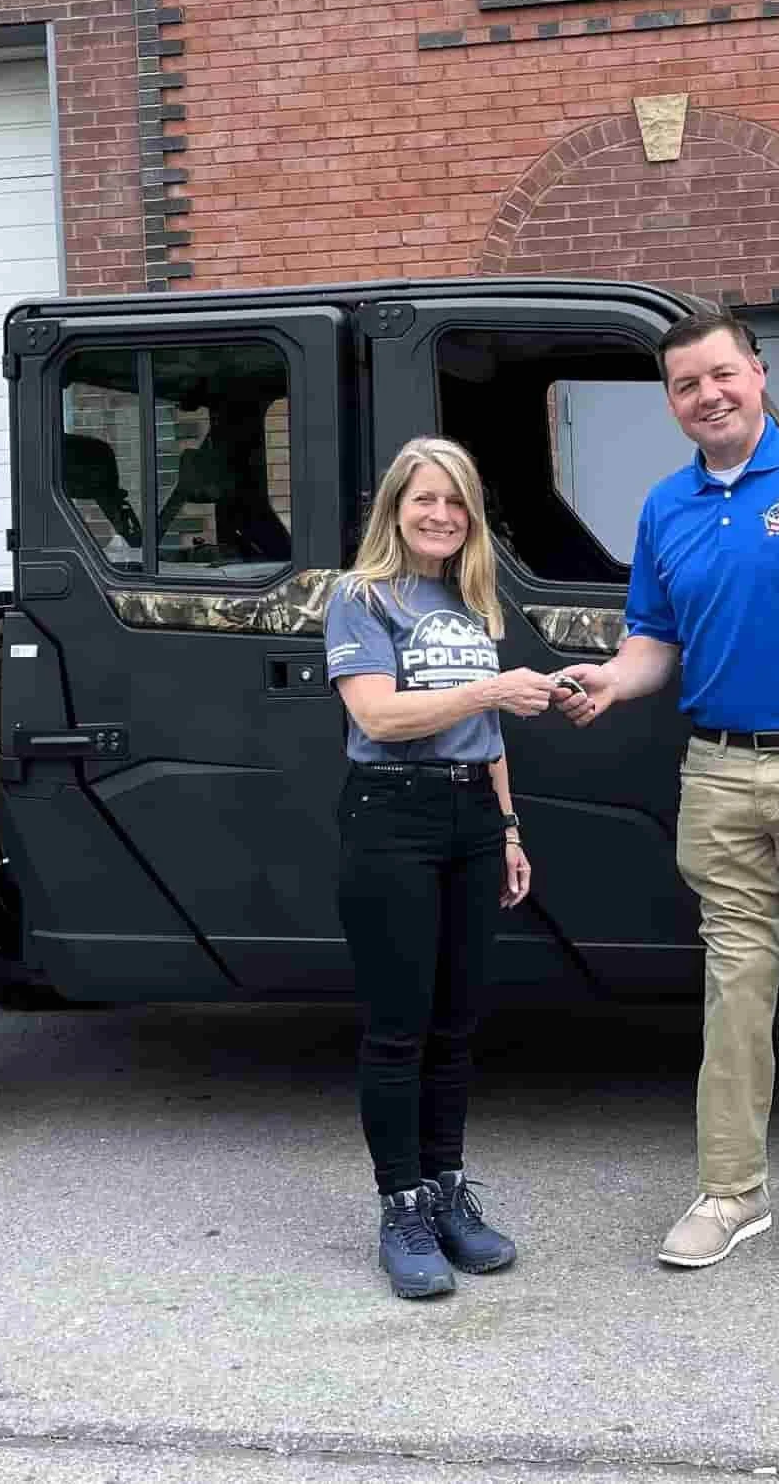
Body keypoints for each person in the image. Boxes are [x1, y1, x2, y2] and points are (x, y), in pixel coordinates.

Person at [555, 310, 779, 1298]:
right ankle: (731, 1193)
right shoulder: (665, 509)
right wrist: (610, 682)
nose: (706, 395)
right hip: (716, 774)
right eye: (685, 385)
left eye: (721, 374)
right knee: (735, 993)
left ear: (757, 375)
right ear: (672, 403)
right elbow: (652, 643)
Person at [324, 435, 562, 1299]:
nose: (441, 515)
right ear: (395, 506)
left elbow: (484, 737)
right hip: (392, 812)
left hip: (469, 813)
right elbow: (380, 716)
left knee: (456, 1023)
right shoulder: (361, 596)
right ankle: (402, 1207)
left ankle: (448, 1189)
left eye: (456, 501)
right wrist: (492, 689)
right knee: (399, 1026)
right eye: (425, 498)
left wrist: (507, 827)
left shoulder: (469, 598)